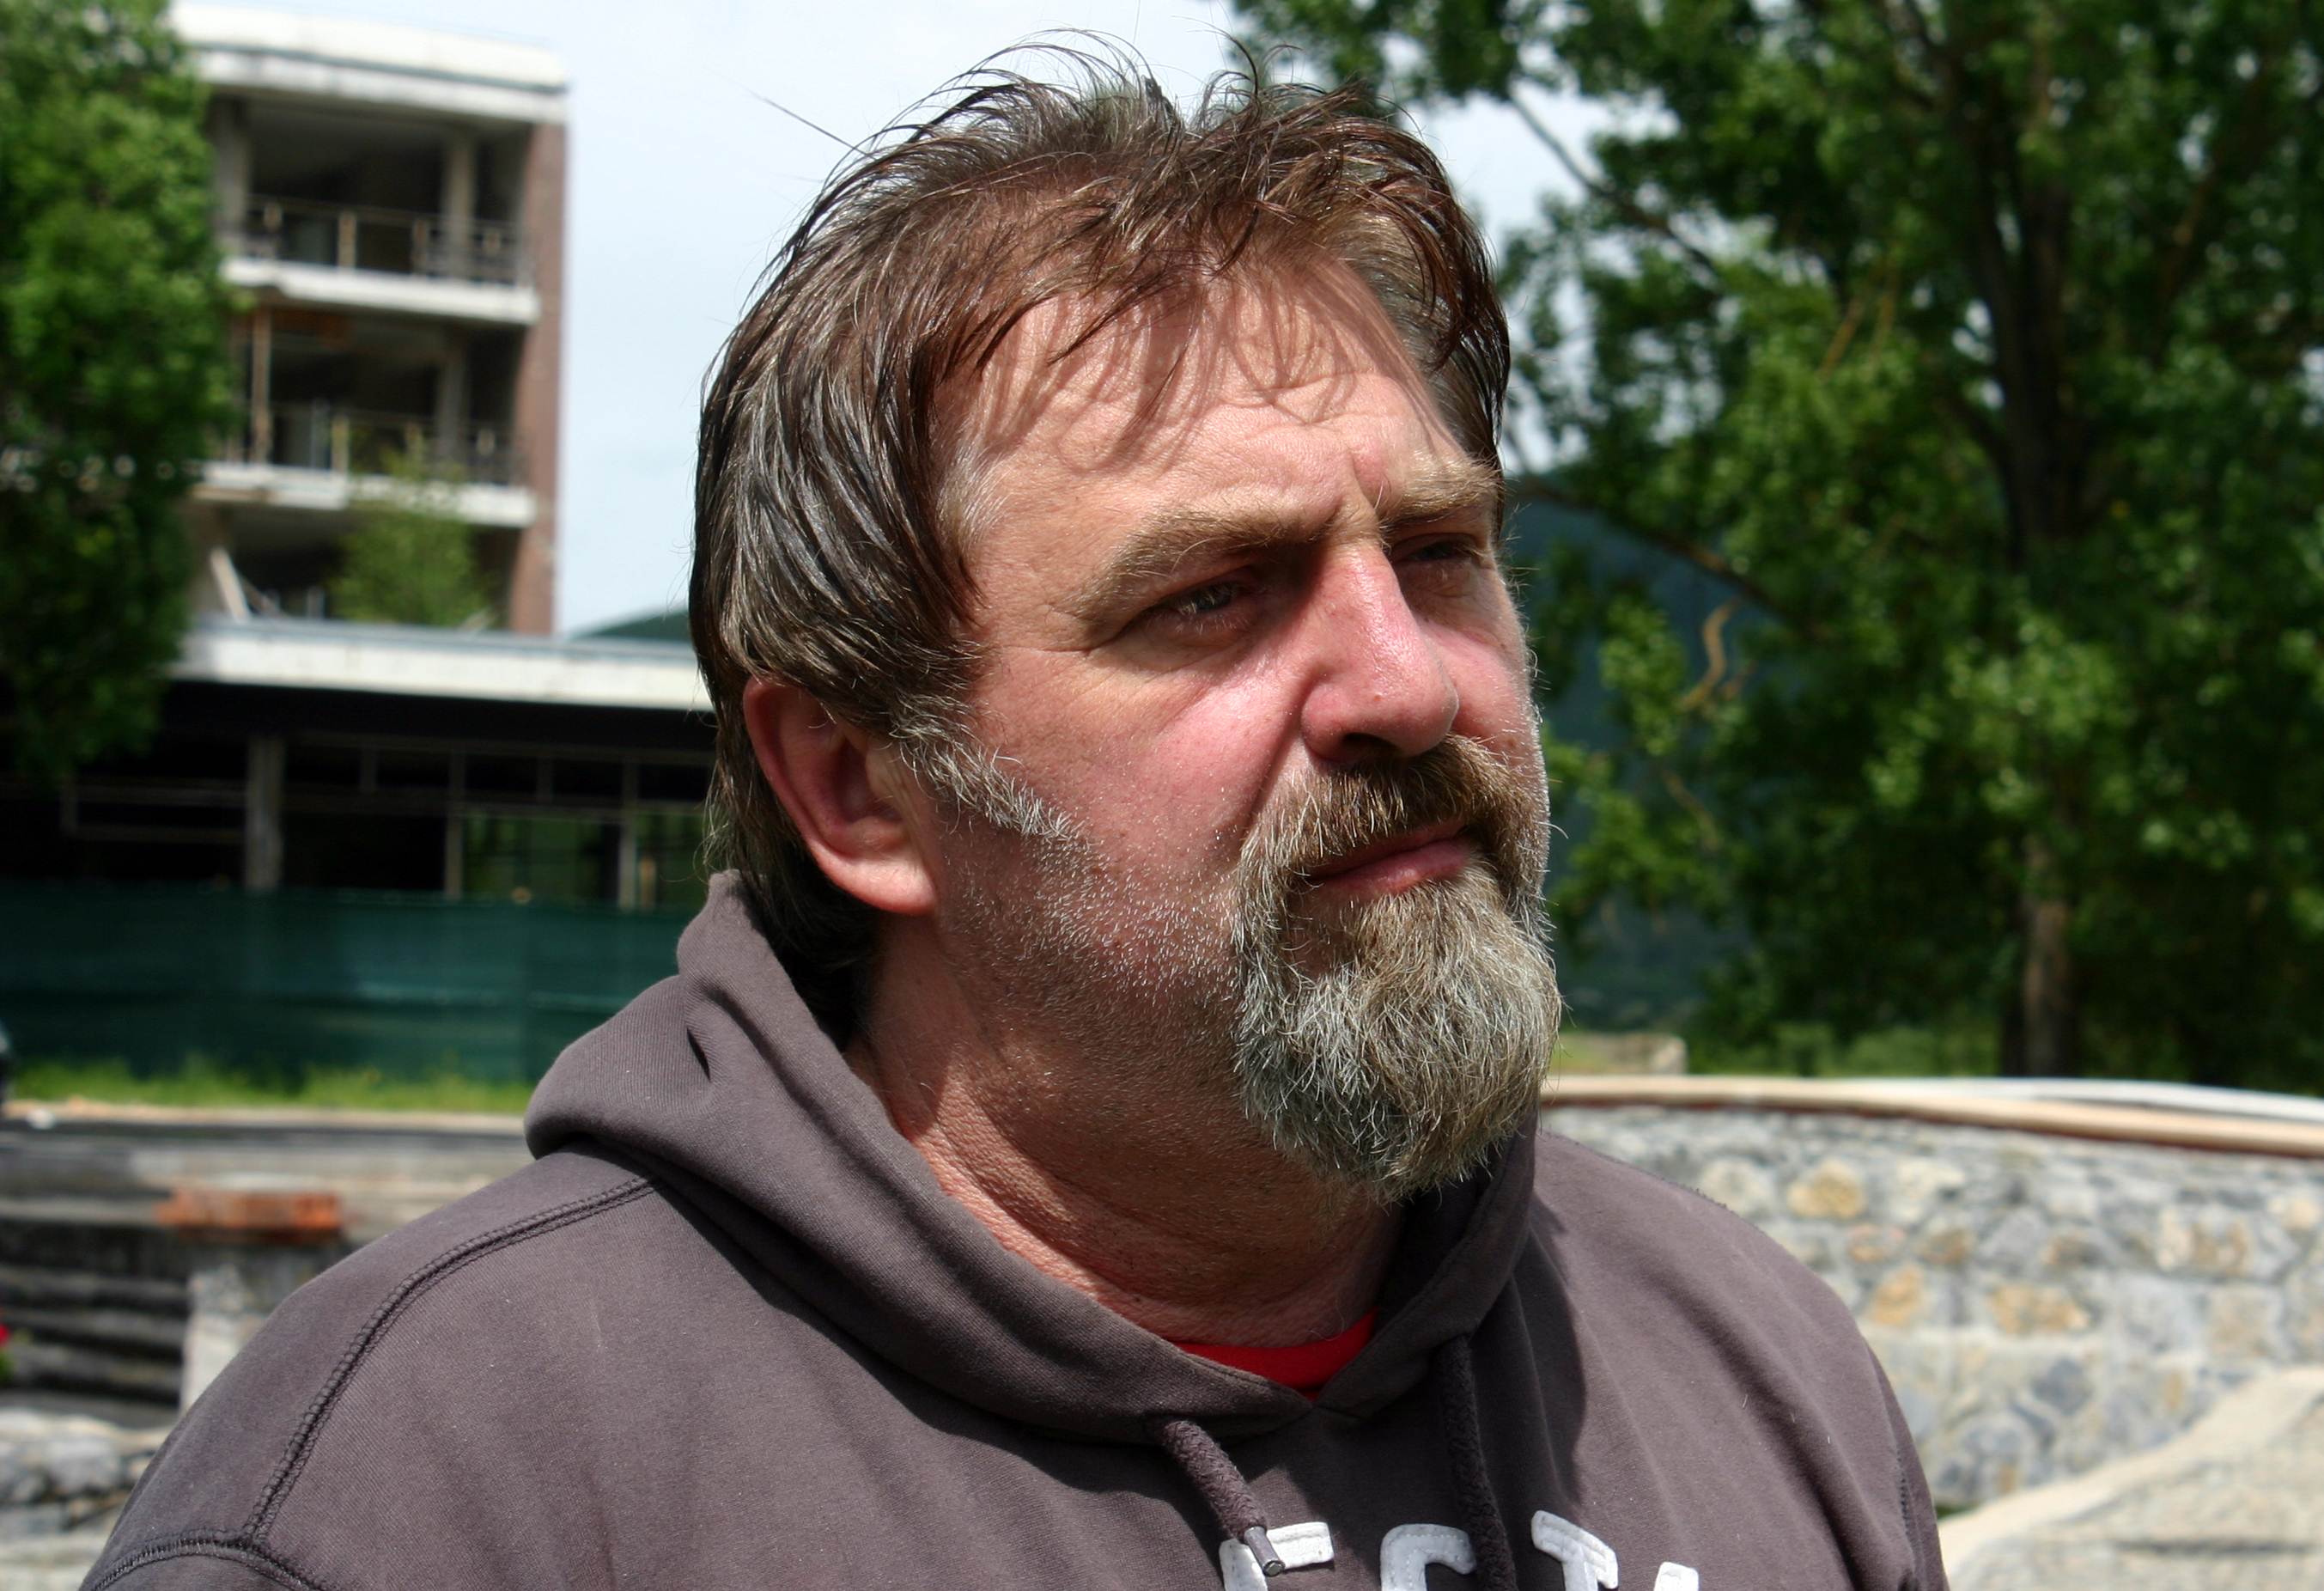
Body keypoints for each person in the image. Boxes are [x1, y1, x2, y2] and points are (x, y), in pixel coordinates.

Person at [85, 53, 1947, 1591]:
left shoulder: (1750, 1371)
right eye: (1210, 595)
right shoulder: (425, 1494)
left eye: (1442, 552)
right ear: (857, 786)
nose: (1404, 682)